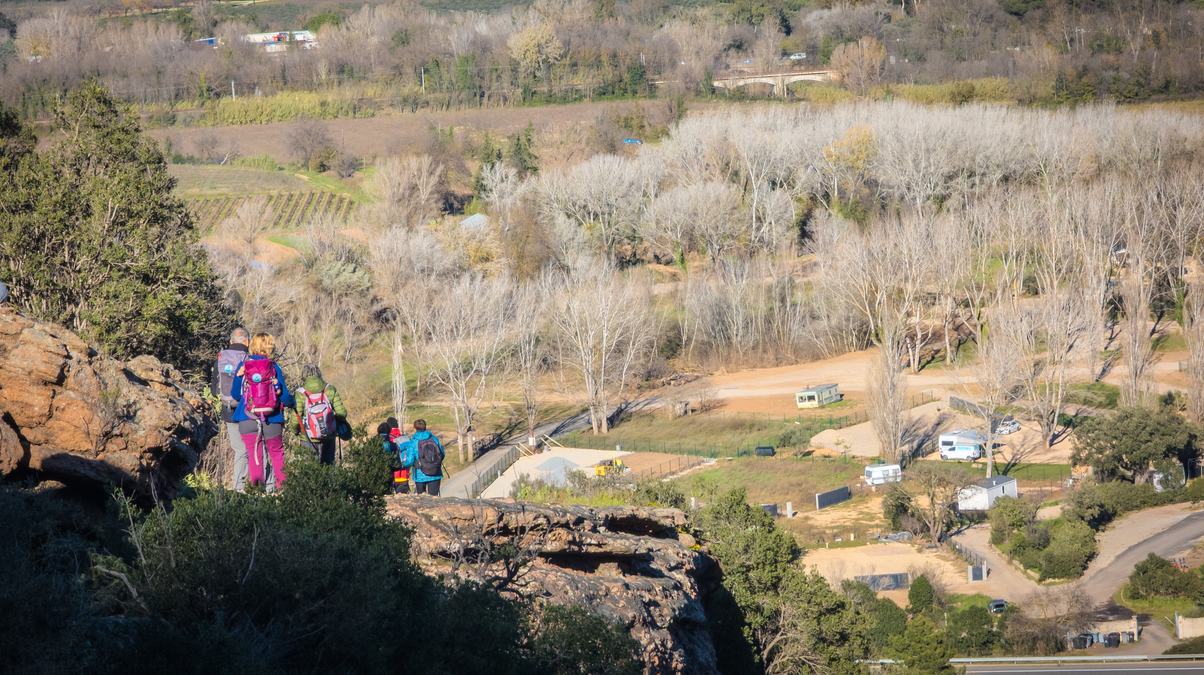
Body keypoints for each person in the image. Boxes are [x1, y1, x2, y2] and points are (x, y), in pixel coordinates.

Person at [212, 327, 274, 492]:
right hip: (249, 412)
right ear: (247, 341)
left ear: (231, 341)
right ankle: (264, 487)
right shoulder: (250, 359)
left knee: (240, 450)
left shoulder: (221, 359)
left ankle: (238, 488)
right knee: (258, 447)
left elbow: (214, 390)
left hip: (228, 411)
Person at [231, 333, 294, 489]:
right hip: (272, 419)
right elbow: (285, 398)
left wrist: (239, 378)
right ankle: (283, 491)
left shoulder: (243, 366)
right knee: (277, 455)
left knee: (254, 457)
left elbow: (235, 395)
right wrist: (293, 402)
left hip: (247, 418)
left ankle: (257, 493)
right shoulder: (274, 368)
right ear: (269, 347)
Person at [294, 364, 348, 465]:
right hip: (329, 435)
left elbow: (296, 418)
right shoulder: (330, 389)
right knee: (328, 467)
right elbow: (342, 413)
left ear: (303, 375)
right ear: (319, 373)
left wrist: (296, 430)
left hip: (307, 437)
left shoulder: (300, 393)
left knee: (310, 471)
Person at [399, 419, 444, 496]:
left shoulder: (413, 442)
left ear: (415, 428)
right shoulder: (434, 439)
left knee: (421, 499)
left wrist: (402, 464)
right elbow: (442, 454)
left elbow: (409, 460)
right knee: (434, 499)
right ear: (425, 426)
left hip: (420, 474)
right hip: (435, 472)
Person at [378, 417, 411, 494]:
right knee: (402, 496)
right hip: (402, 471)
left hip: (387, 471)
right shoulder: (405, 438)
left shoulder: (387, 439)